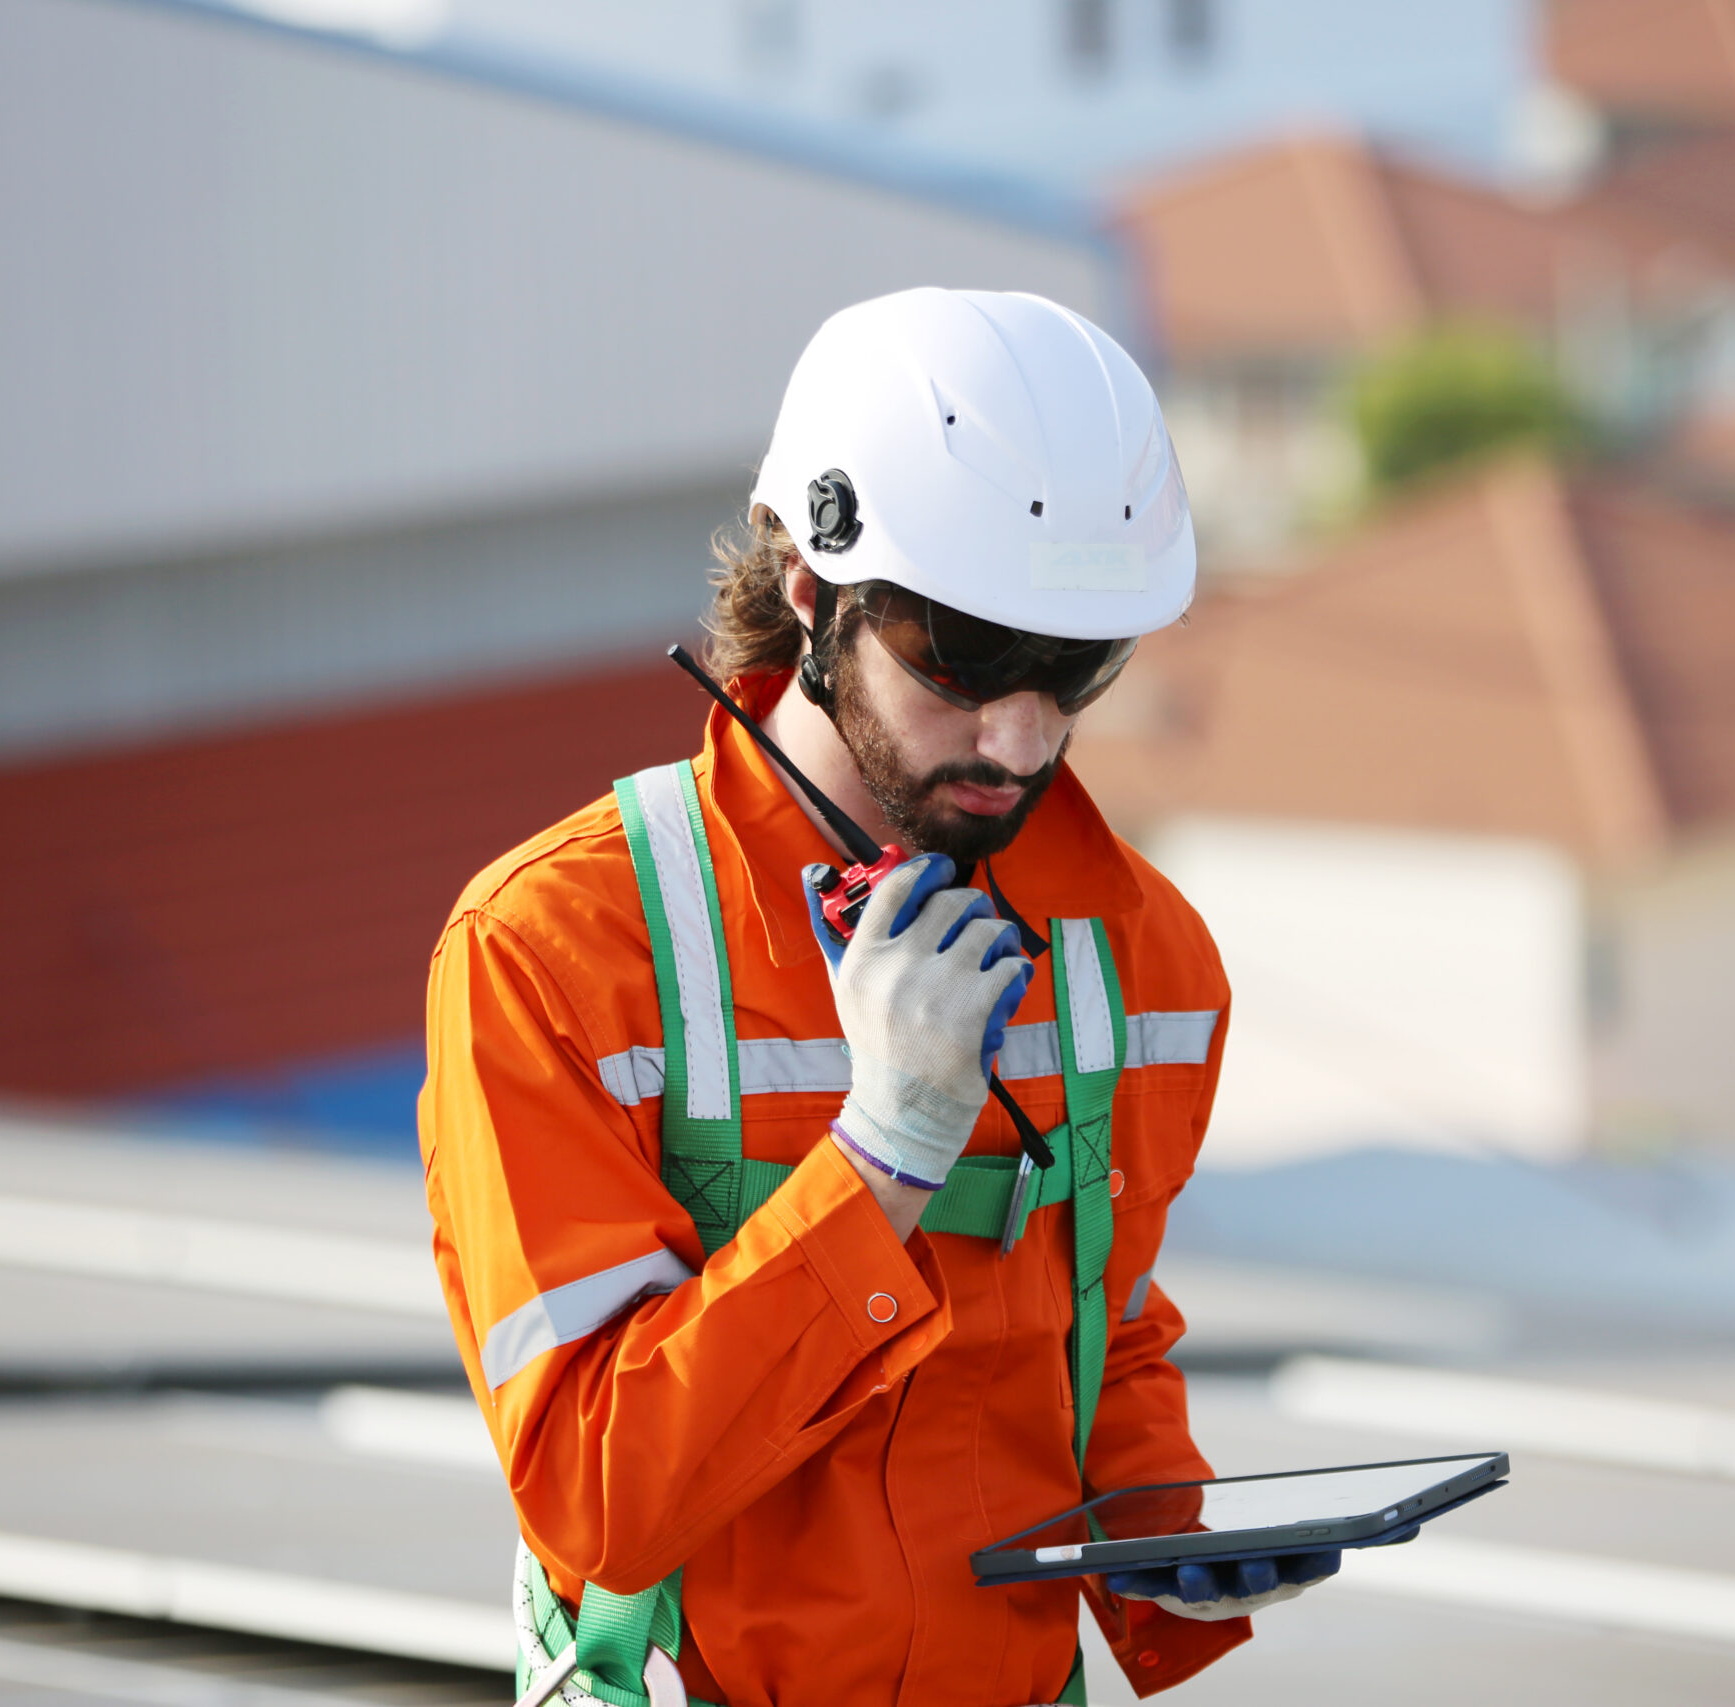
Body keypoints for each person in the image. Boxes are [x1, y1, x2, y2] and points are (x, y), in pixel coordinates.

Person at [420, 288, 1335, 1707]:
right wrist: (883, 1157)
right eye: (966, 654)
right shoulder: (556, 954)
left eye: (1078, 666)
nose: (1024, 734)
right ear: (809, 587)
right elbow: (598, 1497)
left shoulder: (1138, 952)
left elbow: (1102, 1318)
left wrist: (1156, 1536)